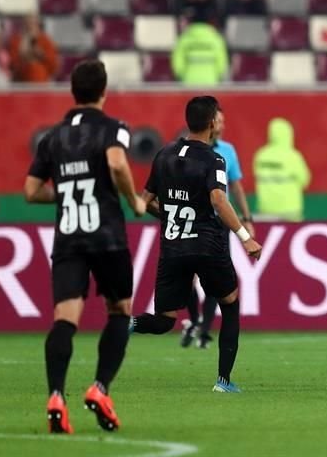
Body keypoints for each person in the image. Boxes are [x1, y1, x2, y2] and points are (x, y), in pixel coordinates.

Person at [23, 60, 147, 433]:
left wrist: (64, 192)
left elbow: (30, 191)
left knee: (65, 318)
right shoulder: (114, 129)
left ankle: (56, 395)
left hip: (68, 237)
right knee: (120, 311)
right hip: (106, 236)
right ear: (104, 92)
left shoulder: (52, 137)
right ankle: (99, 388)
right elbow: (118, 165)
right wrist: (134, 201)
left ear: (73, 92)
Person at [131, 96, 262, 393]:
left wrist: (168, 215)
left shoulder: (164, 154)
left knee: (164, 321)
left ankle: (126, 324)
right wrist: (246, 237)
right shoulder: (214, 159)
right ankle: (223, 381)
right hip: (206, 245)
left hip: (173, 247)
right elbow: (218, 199)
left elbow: (143, 203)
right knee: (230, 304)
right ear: (212, 123)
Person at [181, 109, 257, 349]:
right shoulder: (184, 150)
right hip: (191, 219)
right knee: (188, 278)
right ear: (208, 123)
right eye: (218, 121)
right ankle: (194, 321)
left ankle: (203, 330)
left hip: (218, 221)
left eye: (224, 121)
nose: (222, 125)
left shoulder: (227, 151)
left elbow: (234, 186)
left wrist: (246, 217)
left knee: (215, 275)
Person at [253, 118, 311, 222]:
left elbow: (256, 176)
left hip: (266, 208)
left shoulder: (261, 155)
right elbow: (305, 180)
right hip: (290, 210)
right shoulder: (293, 156)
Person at [171, 16, 229, 86]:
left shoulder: (183, 39)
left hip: (188, 83)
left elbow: (177, 63)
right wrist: (216, 76)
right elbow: (222, 64)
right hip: (211, 82)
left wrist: (183, 76)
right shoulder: (216, 39)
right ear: (210, 23)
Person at [8, 13, 59, 83]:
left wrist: (41, 55)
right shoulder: (16, 41)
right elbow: (12, 65)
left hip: (42, 81)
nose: (30, 26)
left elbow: (54, 65)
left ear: (37, 24)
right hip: (21, 82)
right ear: (24, 24)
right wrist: (23, 54)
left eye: (32, 23)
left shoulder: (46, 40)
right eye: (28, 23)